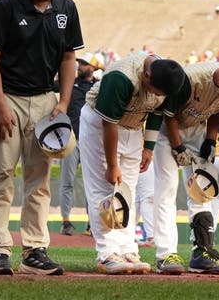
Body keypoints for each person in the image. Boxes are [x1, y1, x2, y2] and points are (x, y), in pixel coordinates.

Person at [0, 0, 83, 276]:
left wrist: (63, 104)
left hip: (45, 102)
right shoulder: (5, 6)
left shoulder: (67, 8)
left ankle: (35, 250)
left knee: (39, 180)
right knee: (0, 174)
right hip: (6, 98)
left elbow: (69, 59)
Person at [79, 52, 185, 275]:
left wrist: (149, 147)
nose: (157, 96)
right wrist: (111, 165)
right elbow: (109, 124)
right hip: (101, 126)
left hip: (134, 128)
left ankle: (127, 249)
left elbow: (157, 113)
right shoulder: (121, 77)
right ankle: (108, 253)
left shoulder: (167, 76)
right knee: (105, 188)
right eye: (155, 91)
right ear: (146, 75)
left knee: (128, 190)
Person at [150, 62, 219, 275]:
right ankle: (166, 254)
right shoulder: (191, 80)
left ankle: (202, 252)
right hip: (168, 133)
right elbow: (169, 115)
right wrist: (178, 147)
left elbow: (218, 108)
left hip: (197, 130)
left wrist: (210, 139)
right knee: (166, 190)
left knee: (203, 192)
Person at [57, 53, 104, 236]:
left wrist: (101, 67)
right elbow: (50, 84)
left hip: (90, 141)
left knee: (90, 184)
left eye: (85, 64)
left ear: (92, 67)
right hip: (70, 139)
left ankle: (92, 222)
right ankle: (66, 221)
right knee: (66, 182)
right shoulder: (70, 83)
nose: (80, 66)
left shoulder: (98, 86)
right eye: (80, 63)